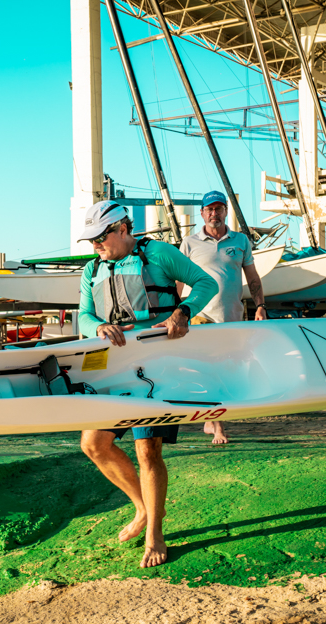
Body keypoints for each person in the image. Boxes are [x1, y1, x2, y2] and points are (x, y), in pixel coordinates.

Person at [78, 200, 218, 569]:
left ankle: (155, 532)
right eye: (91, 239)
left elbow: (207, 283)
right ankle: (143, 508)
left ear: (123, 229)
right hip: (115, 369)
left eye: (100, 237)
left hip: (158, 366)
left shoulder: (158, 253)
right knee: (93, 444)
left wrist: (183, 311)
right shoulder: (92, 269)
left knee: (147, 452)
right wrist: (97, 325)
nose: (95, 244)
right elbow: (83, 316)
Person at [179, 191, 267, 445]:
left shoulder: (240, 241)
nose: (214, 213)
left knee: (229, 370)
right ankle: (219, 427)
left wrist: (260, 306)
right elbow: (177, 281)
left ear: (226, 211)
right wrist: (174, 312)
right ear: (202, 213)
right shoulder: (189, 243)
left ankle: (210, 418)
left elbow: (252, 277)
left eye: (218, 209)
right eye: (209, 209)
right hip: (200, 316)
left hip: (231, 317)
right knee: (210, 369)